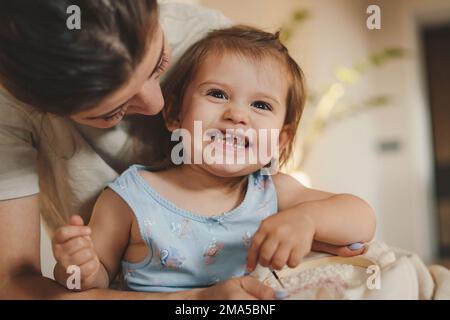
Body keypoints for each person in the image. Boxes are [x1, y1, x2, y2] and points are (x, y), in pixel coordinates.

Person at [51, 26, 376, 296]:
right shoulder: (129, 197)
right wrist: (80, 266)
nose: (237, 115)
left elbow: (362, 219)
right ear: (175, 114)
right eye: (217, 94)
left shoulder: (271, 192)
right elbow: (93, 286)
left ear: (279, 140)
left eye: (261, 105)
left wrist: (307, 220)